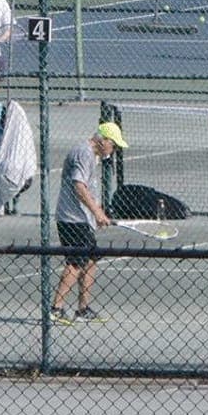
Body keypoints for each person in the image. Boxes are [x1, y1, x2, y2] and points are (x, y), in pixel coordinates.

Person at [50, 121, 127, 325]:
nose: (114, 150)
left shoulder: (92, 156)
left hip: (82, 218)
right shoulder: (83, 153)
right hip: (71, 218)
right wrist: (97, 212)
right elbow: (79, 186)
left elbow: (88, 189)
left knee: (92, 258)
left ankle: (82, 309)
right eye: (114, 145)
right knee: (76, 262)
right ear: (104, 141)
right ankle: (56, 309)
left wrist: (96, 215)